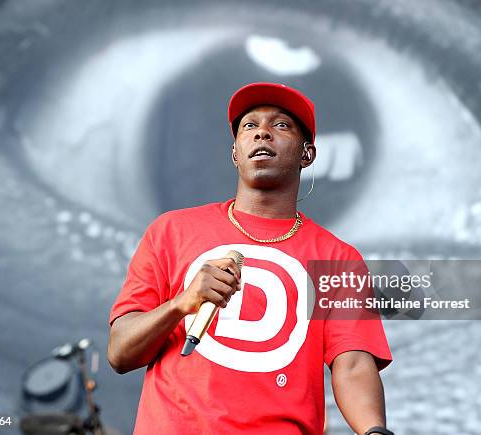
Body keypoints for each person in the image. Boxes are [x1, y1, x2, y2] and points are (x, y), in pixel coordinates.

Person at [107, 82, 394, 435]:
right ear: (235, 153)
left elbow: (351, 364)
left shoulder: (339, 259)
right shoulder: (171, 231)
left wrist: (374, 431)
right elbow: (120, 352)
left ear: (307, 154)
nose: (262, 133)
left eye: (281, 125)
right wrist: (181, 305)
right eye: (250, 126)